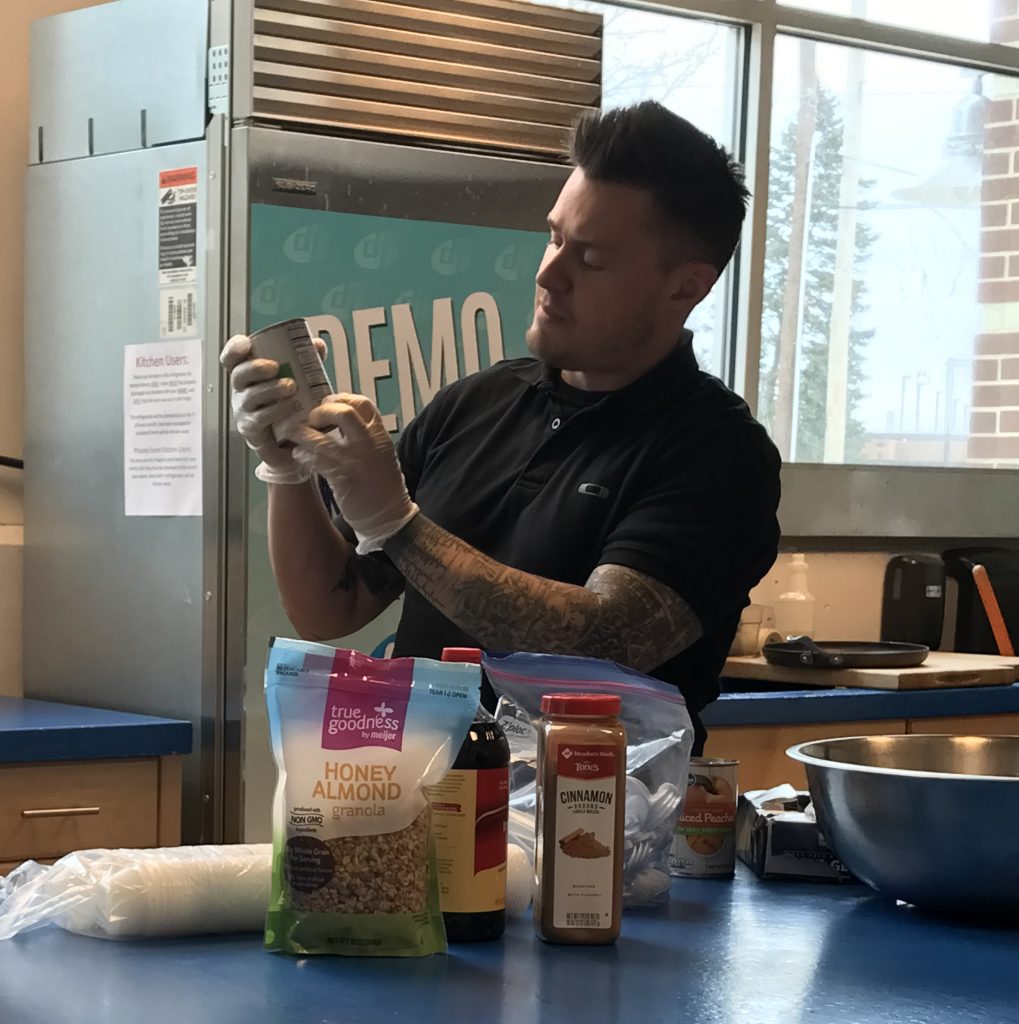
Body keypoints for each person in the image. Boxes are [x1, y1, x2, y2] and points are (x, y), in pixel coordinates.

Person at [221, 101, 781, 752]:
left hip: (593, 831)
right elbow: (331, 608)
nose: (548, 275)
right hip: (417, 808)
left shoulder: (717, 453)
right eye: (554, 237)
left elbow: (605, 642)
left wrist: (398, 527)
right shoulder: (476, 404)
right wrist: (287, 467)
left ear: (685, 287)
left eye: (591, 259)